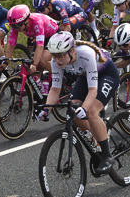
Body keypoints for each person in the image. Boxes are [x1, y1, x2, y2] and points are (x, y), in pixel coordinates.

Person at [40, 31, 119, 173]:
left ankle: (107, 156)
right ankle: (96, 144)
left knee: (90, 111)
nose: (58, 60)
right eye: (54, 56)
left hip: (107, 75)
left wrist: (85, 108)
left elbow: (93, 90)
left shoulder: (86, 54)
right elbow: (55, 89)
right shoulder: (56, 61)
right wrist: (46, 109)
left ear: (71, 51)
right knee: (74, 112)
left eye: (61, 55)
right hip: (85, 76)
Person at [5, 4, 58, 74]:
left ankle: (59, 76)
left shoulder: (37, 21)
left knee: (41, 60)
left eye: (18, 25)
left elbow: (40, 46)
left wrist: (35, 64)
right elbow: (11, 45)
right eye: (13, 25)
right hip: (42, 37)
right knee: (33, 67)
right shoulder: (17, 24)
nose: (16, 28)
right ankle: (41, 83)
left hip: (54, 35)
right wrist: (5, 63)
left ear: (26, 20)